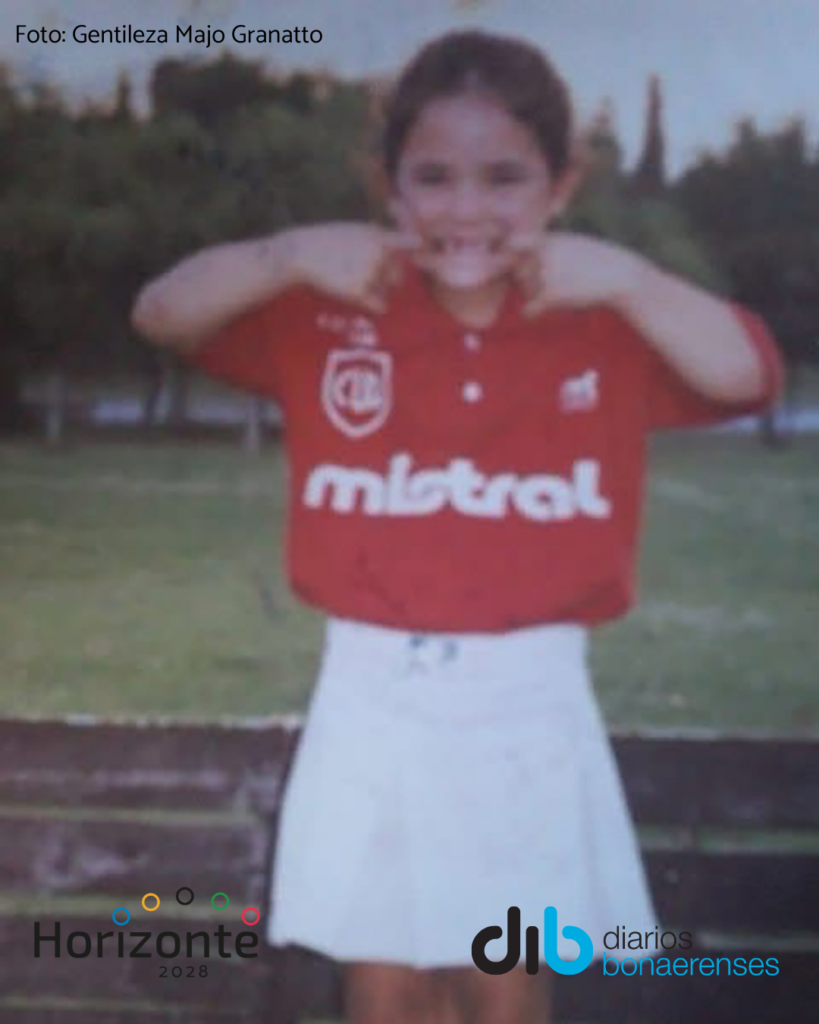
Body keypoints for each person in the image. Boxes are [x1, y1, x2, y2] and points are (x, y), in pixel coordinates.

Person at [132, 30, 783, 1024]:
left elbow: (743, 373)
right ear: (389, 186)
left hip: (527, 700)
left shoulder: (604, 320)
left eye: (504, 178)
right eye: (432, 177)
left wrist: (632, 280)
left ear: (560, 185)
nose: (467, 209)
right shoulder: (331, 309)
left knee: (502, 976)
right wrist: (288, 254)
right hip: (370, 689)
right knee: (383, 980)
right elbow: (163, 313)